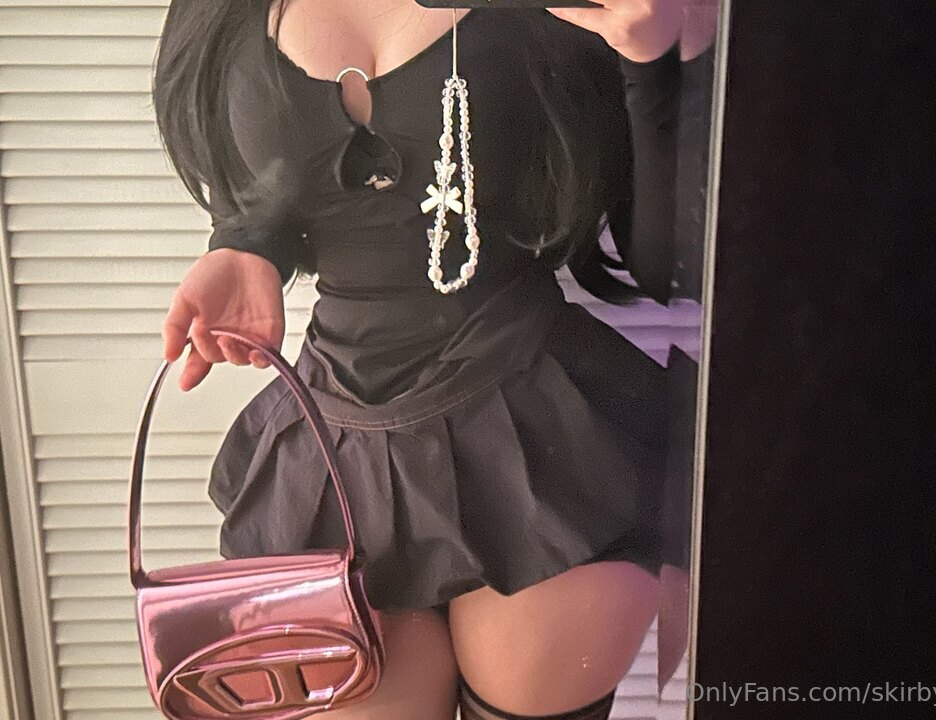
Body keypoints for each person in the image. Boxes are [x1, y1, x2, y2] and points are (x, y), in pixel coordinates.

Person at [154, 1, 682, 718]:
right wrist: (244, 249)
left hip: (545, 439)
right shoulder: (222, 15)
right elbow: (259, 187)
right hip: (332, 452)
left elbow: (670, 262)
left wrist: (656, 61)